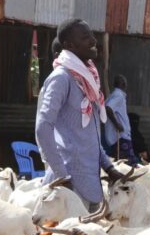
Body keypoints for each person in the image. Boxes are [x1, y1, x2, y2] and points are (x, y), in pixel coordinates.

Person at [35, 18, 122, 209]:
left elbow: (88, 137)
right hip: (69, 187)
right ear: (69, 45)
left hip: (90, 183)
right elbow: (43, 127)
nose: (93, 41)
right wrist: (60, 174)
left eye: (92, 36)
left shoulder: (86, 79)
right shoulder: (61, 78)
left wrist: (109, 167)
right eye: (85, 38)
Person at [103, 74, 138, 165]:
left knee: (119, 164)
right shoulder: (119, 96)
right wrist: (117, 124)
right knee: (130, 165)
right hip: (121, 137)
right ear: (123, 84)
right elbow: (108, 108)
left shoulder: (113, 95)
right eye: (125, 83)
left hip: (117, 138)